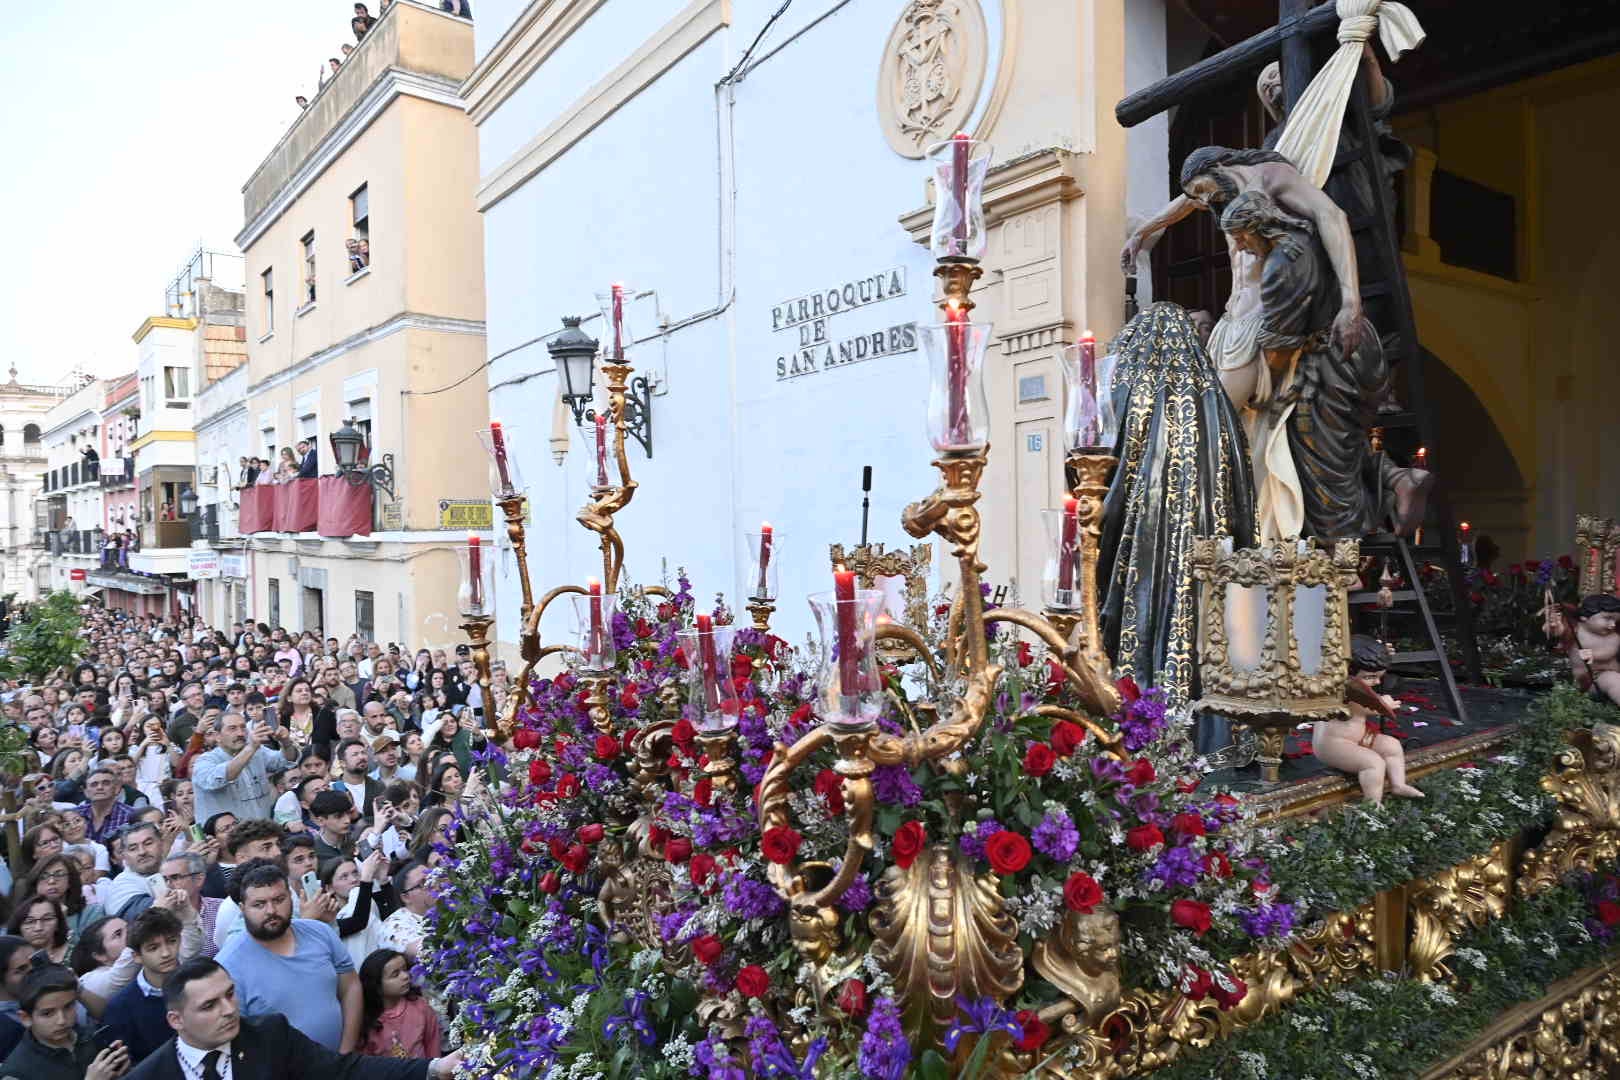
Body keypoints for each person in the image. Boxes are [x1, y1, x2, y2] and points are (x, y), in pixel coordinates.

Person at [121, 959, 458, 1080]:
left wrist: (432, 1068)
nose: (228, 1009)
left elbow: (346, 1070)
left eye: (230, 994)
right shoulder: (148, 1076)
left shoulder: (270, 1035)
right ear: (176, 1020)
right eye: (209, 1005)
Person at [216, 864, 358, 1051]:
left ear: (291, 898)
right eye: (259, 904)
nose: (271, 910)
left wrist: (346, 1052)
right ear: (242, 909)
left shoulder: (320, 931)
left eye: (279, 900)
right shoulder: (227, 966)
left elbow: (350, 987)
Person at [1311, 635, 1423, 805]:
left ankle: (1398, 785)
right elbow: (1367, 707)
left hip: (1360, 738)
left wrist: (1380, 652)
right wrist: (1383, 703)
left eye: (1379, 676)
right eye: (1370, 677)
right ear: (1346, 672)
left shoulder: (1359, 687)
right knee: (1373, 763)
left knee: (1392, 745)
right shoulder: (1341, 691)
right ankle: (1372, 804)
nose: (1377, 681)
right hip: (1334, 745)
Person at [0, 961, 129, 1080]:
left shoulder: (92, 1037)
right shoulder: (16, 1072)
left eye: (68, 1007)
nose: (62, 1020)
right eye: (48, 1013)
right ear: (26, 1018)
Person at [101, 908, 186, 1064]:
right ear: (137, 956)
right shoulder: (121, 1007)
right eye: (153, 948)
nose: (166, 953)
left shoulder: (200, 983)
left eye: (171, 941)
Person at [191, 713, 298, 823]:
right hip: (226, 833)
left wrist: (285, 742)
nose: (240, 733)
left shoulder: (258, 752)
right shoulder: (204, 761)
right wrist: (251, 748)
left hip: (262, 828)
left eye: (243, 727)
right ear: (217, 736)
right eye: (232, 729)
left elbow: (286, 760)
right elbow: (221, 778)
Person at [357, 949, 440, 1059]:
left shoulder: (421, 1007)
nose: (405, 976)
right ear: (376, 985)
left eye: (405, 969)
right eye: (395, 974)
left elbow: (433, 1046)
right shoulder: (366, 1022)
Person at [376, 862, 430, 962]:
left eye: (432, 877)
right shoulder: (394, 925)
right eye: (422, 883)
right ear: (406, 897)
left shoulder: (448, 904)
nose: (433, 884)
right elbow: (428, 950)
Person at [77, 769, 137, 845]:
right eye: (94, 784)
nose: (100, 787)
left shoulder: (132, 815)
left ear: (117, 789)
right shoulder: (76, 814)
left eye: (106, 783)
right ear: (86, 792)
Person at [11, 895, 71, 964]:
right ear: (18, 926)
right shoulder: (9, 960)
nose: (38, 928)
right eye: (30, 921)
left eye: (47, 919)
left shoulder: (74, 954)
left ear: (58, 923)